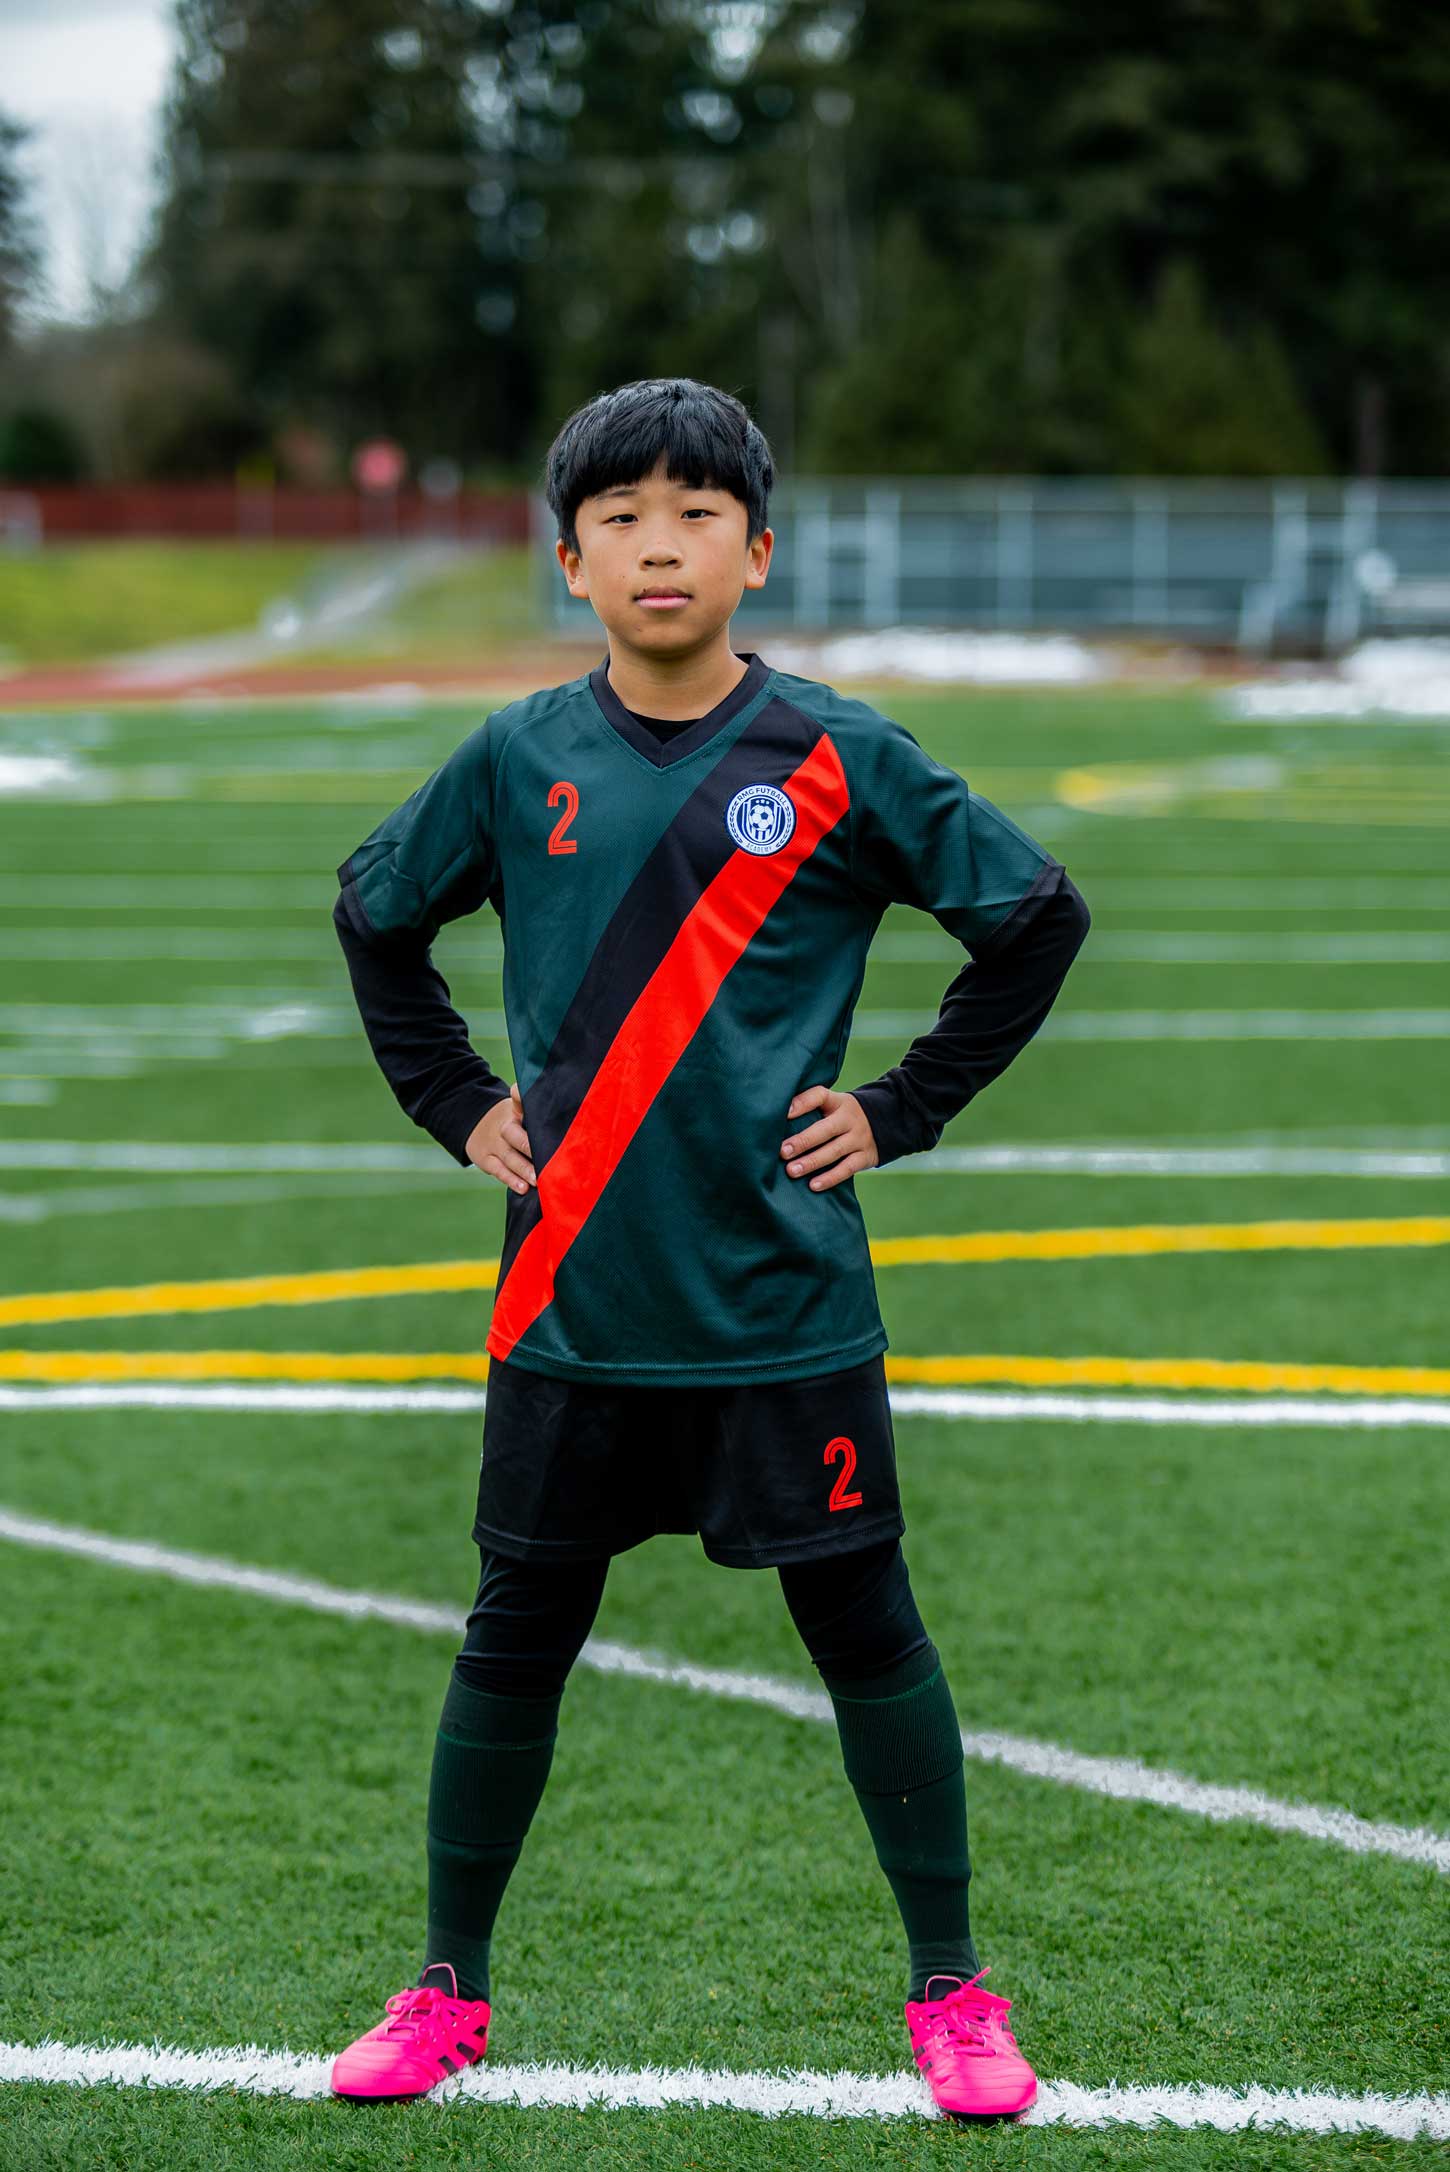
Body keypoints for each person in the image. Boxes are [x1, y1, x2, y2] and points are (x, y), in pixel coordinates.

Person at [328, 377, 1090, 2120]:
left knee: (866, 1628)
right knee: (513, 1635)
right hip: (572, 1302)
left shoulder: (838, 754)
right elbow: (375, 917)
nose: (656, 545)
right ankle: (443, 1989)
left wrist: (900, 1108)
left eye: (694, 514)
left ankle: (952, 1993)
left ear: (757, 550)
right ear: (569, 563)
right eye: (619, 519)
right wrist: (453, 1101)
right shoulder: (518, 757)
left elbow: (1035, 918)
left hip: (778, 1304)